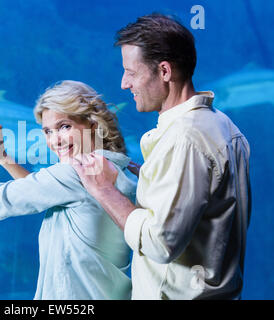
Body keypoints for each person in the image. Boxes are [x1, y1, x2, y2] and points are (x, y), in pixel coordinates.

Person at [72, 14, 251, 300]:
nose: (123, 83)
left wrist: (104, 190)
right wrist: (156, 177)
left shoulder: (185, 141)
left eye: (131, 72)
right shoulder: (225, 126)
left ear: (164, 71)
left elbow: (161, 243)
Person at [0, 80, 137, 299]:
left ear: (92, 124)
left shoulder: (77, 172)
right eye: (47, 131)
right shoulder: (119, 167)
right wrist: (3, 157)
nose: (55, 140)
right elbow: (48, 194)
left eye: (65, 126)